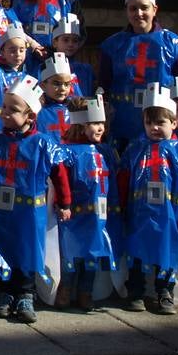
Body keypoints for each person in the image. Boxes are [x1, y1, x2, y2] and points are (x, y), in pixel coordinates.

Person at [0, 75, 71, 324]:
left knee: (27, 250)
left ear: (30, 116)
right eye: (4, 107)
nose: (5, 113)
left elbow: (59, 176)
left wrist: (65, 203)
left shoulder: (43, 144)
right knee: (1, 246)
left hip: (29, 213)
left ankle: (26, 293)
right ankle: (5, 291)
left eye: (13, 110)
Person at [117, 83, 178, 316]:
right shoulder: (135, 149)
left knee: (166, 251)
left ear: (174, 123)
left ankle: (163, 291)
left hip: (170, 214)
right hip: (140, 213)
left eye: (160, 122)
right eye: (149, 123)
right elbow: (124, 178)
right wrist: (121, 206)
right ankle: (136, 290)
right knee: (137, 249)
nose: (154, 128)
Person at [97, 0, 178, 153]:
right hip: (122, 124)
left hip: (160, 124)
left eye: (144, 7)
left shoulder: (175, 45)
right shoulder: (111, 46)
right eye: (133, 8)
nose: (139, 13)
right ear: (126, 11)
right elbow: (103, 86)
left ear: (155, 9)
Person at [57, 95, 119, 312]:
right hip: (74, 213)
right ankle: (65, 288)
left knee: (93, 251)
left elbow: (114, 181)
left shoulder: (106, 152)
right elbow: (61, 180)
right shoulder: (66, 152)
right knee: (71, 251)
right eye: (94, 123)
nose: (100, 128)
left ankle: (86, 291)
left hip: (98, 213)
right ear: (79, 125)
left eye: (102, 123)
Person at [51, 14, 93, 97]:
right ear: (54, 42)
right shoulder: (45, 68)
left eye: (75, 41)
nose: (70, 44)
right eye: (66, 40)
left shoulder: (85, 70)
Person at [36, 53, 75, 140]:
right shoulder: (36, 110)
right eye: (56, 84)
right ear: (43, 86)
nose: (62, 89)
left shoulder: (75, 108)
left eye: (67, 84)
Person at [0, 22, 31, 90]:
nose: (18, 54)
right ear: (2, 52)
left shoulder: (25, 69)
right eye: (12, 51)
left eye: (21, 50)